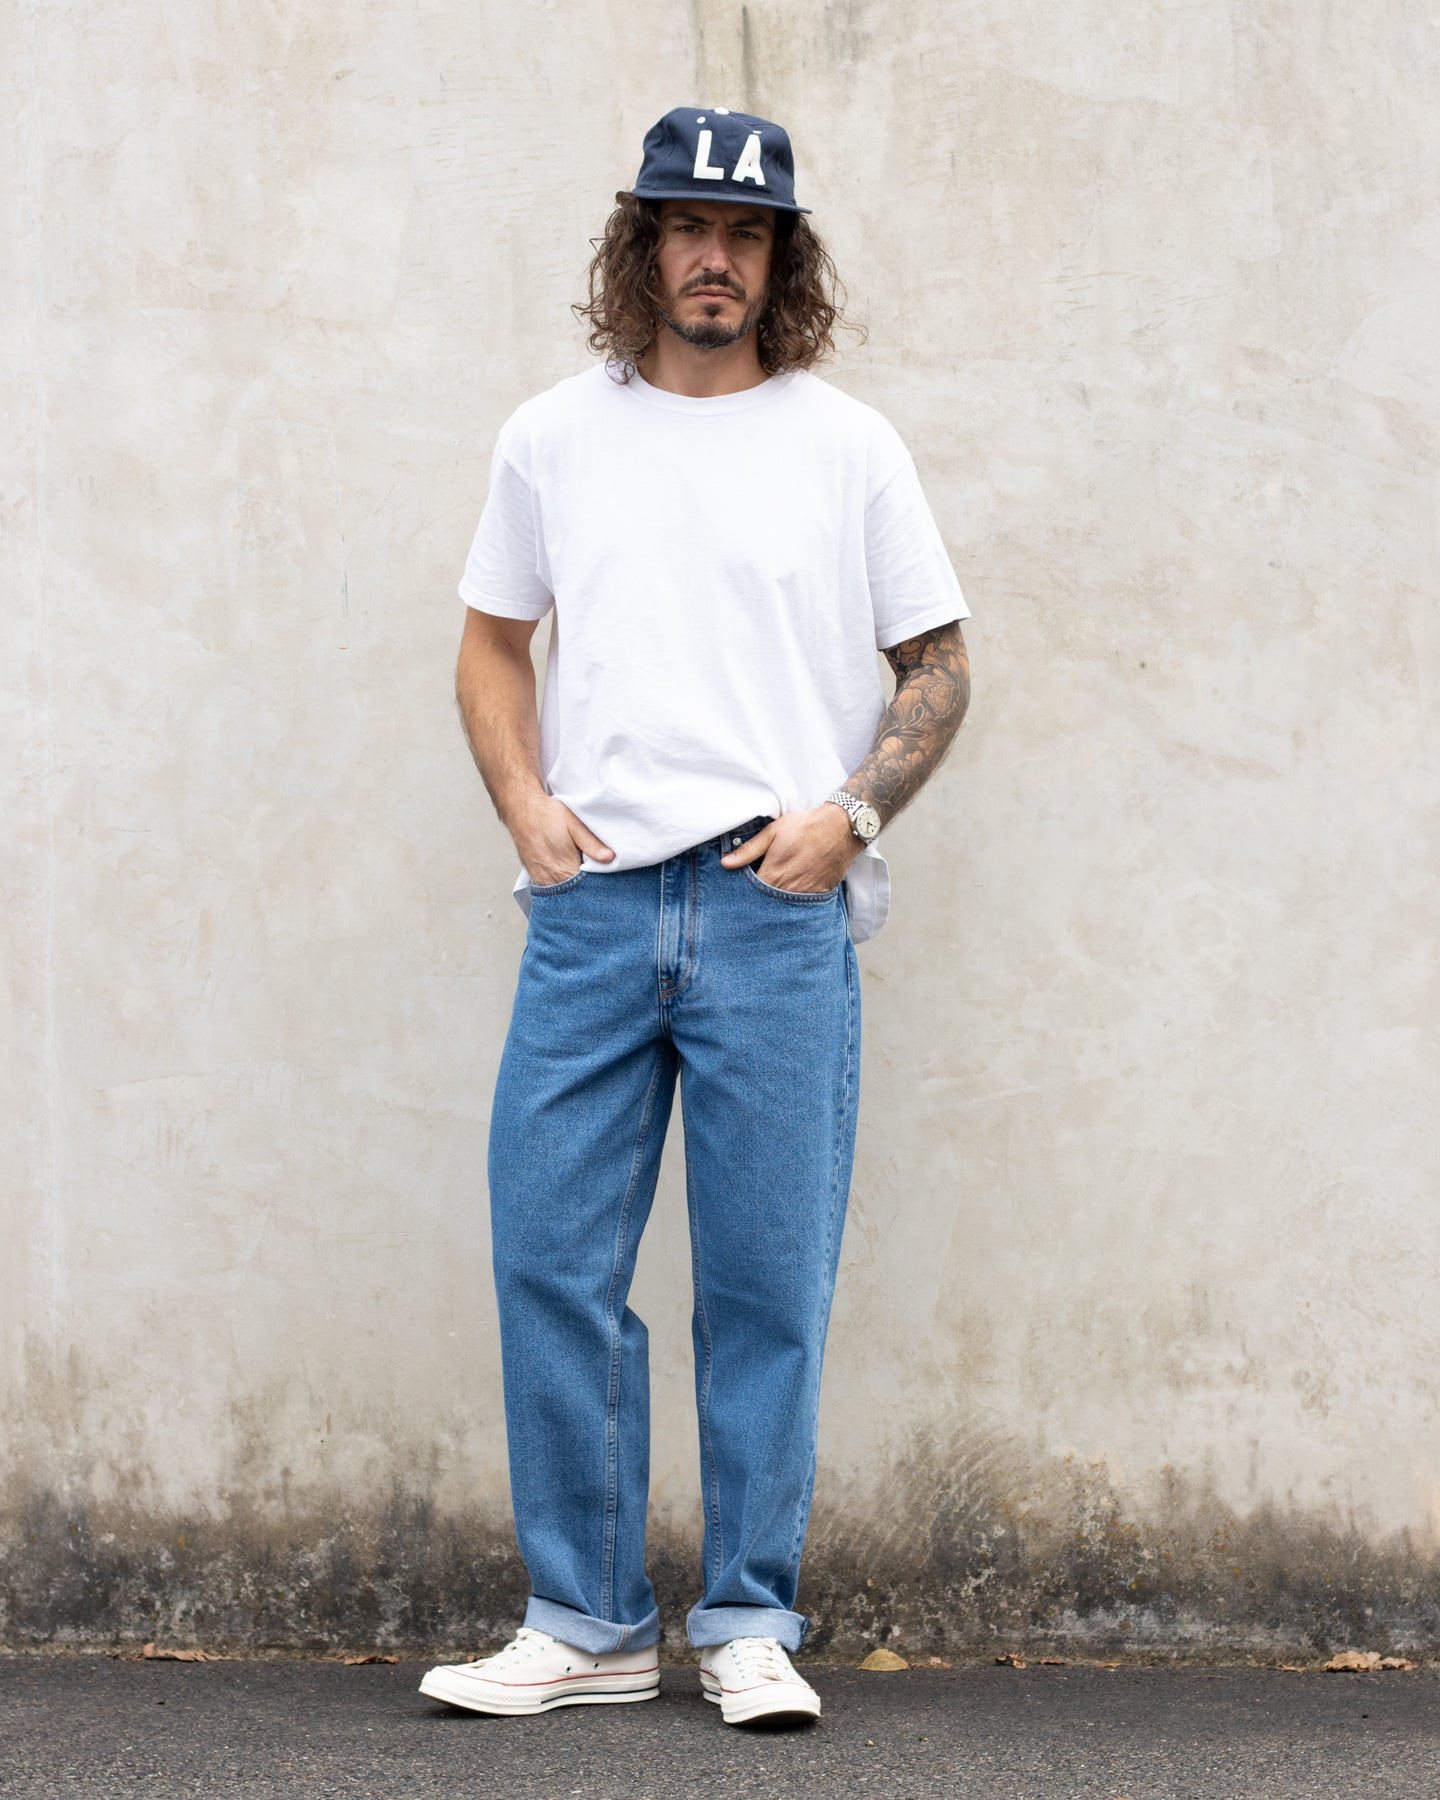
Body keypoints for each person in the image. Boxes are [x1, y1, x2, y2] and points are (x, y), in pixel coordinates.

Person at [420, 104, 970, 1727]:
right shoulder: (552, 437)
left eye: (744, 233)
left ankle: (745, 1622)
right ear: (642, 244)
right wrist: (524, 805)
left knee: (765, 1285)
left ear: (780, 258)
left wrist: (850, 816)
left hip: (770, 912)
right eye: (685, 226)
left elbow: (937, 665)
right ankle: (588, 1625)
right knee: (551, 1260)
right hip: (593, 914)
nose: (712, 256)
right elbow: (491, 643)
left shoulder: (847, 447)